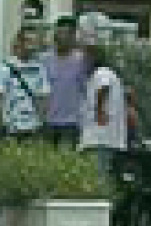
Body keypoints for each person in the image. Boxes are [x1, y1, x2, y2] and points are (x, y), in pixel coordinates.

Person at [0, 29, 50, 142]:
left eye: (35, 42)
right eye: (29, 41)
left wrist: (41, 122)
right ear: (19, 42)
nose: (32, 46)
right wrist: (2, 125)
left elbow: (43, 98)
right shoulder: (5, 68)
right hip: (11, 129)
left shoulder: (39, 68)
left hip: (33, 128)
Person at [80, 44, 126, 177]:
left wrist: (99, 111)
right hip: (103, 138)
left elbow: (103, 88)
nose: (84, 62)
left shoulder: (102, 73)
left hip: (100, 137)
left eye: (86, 58)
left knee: (99, 174)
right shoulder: (105, 74)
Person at [41, 16, 87, 146]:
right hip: (48, 121)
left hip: (71, 123)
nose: (60, 37)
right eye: (58, 33)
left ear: (73, 36)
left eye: (65, 33)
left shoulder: (81, 61)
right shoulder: (45, 59)